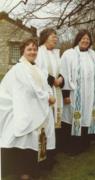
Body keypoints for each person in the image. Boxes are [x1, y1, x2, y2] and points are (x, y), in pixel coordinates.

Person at [0, 38, 55, 179]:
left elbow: (45, 86)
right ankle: (23, 172)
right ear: (23, 51)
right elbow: (29, 89)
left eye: (35, 49)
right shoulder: (19, 68)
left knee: (37, 140)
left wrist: (49, 93)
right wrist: (47, 97)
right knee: (25, 141)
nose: (33, 52)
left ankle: (34, 169)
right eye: (29, 49)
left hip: (36, 107)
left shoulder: (37, 68)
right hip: (23, 109)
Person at [60, 30, 95, 154]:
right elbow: (64, 74)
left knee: (87, 116)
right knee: (74, 117)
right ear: (78, 39)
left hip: (89, 93)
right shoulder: (69, 54)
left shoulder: (93, 55)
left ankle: (84, 143)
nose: (85, 41)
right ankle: (72, 146)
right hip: (74, 93)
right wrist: (65, 95)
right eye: (83, 38)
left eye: (88, 39)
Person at [36, 28, 65, 150]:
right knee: (45, 121)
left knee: (55, 120)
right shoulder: (38, 52)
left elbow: (61, 70)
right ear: (45, 37)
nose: (55, 38)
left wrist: (61, 78)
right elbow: (38, 71)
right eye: (53, 36)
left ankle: (53, 149)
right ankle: (43, 149)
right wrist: (53, 80)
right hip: (45, 91)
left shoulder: (55, 53)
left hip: (56, 90)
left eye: (56, 36)